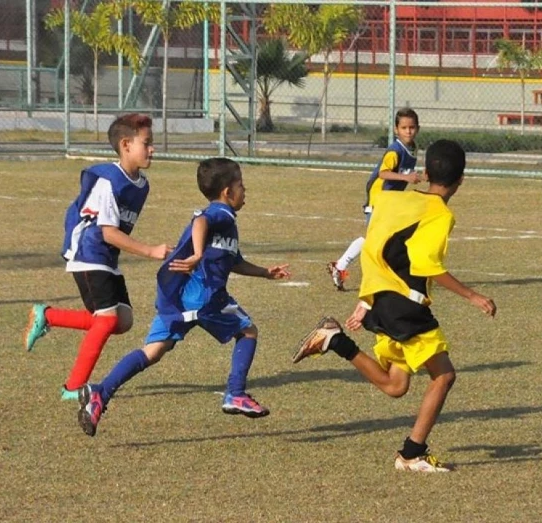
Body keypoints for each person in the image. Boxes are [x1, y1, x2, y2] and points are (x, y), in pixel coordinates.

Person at [294, 139, 497, 473]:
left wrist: (366, 299)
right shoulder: (440, 215)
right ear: (462, 179)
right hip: (405, 307)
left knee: (396, 385)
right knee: (444, 376)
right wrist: (472, 295)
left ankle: (335, 339)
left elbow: (374, 244)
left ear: (426, 172)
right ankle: (412, 454)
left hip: (384, 303)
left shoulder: (391, 199)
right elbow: (426, 265)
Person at [76, 158, 291, 436]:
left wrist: (264, 273)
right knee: (248, 331)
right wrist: (198, 255)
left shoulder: (226, 222)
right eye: (241, 185)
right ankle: (235, 393)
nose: (245, 191)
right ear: (227, 191)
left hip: (177, 299)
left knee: (152, 352)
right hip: (203, 297)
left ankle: (99, 393)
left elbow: (233, 260)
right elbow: (200, 221)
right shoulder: (220, 214)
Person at [23, 113, 171, 401]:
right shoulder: (107, 181)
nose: (153, 149)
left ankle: (48, 315)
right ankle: (74, 386)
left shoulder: (142, 184)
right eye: (147, 143)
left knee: (123, 321)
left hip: (106, 258)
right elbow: (107, 232)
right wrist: (150, 250)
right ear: (126, 144)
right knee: (105, 319)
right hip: (88, 252)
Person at [328, 108, 423, 291]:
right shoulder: (395, 151)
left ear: (418, 128)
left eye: (411, 127)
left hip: (391, 200)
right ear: (396, 129)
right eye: (404, 127)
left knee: (384, 238)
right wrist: (406, 178)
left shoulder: (412, 148)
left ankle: (342, 267)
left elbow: (405, 173)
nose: (408, 131)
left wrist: (422, 176)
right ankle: (340, 267)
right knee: (376, 239)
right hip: (379, 198)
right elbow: (384, 173)